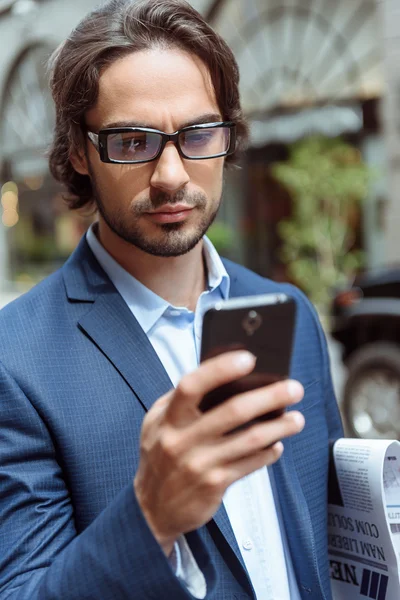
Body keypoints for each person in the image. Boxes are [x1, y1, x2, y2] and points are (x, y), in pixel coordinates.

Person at [0, 1, 343, 598]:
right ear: (79, 152)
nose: (171, 175)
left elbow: (332, 539)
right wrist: (150, 517)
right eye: (132, 141)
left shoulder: (288, 311)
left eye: (198, 134)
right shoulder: (16, 360)